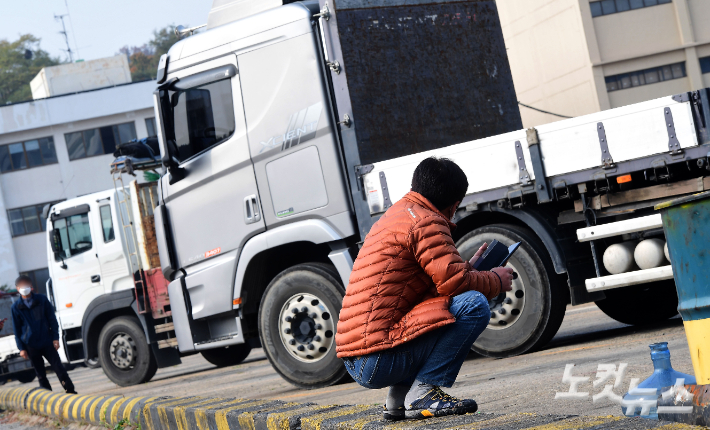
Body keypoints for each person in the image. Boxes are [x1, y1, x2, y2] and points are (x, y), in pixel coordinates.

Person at [336, 157, 513, 421]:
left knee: (436, 310)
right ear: (455, 205)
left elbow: (421, 291)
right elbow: (456, 286)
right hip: (376, 358)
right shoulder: (426, 221)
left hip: (358, 357)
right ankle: (423, 392)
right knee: (474, 304)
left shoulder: (397, 214)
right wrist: (495, 281)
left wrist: (469, 270)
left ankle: (397, 400)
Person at [11, 275, 76, 393]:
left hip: (46, 341)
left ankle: (70, 390)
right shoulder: (16, 307)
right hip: (30, 344)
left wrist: (55, 338)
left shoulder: (42, 300)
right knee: (40, 374)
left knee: (59, 368)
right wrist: (21, 348)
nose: (24, 287)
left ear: (31, 286)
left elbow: (52, 320)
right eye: (21, 285)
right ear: (17, 288)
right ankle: (47, 397)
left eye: (26, 284)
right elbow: (17, 330)